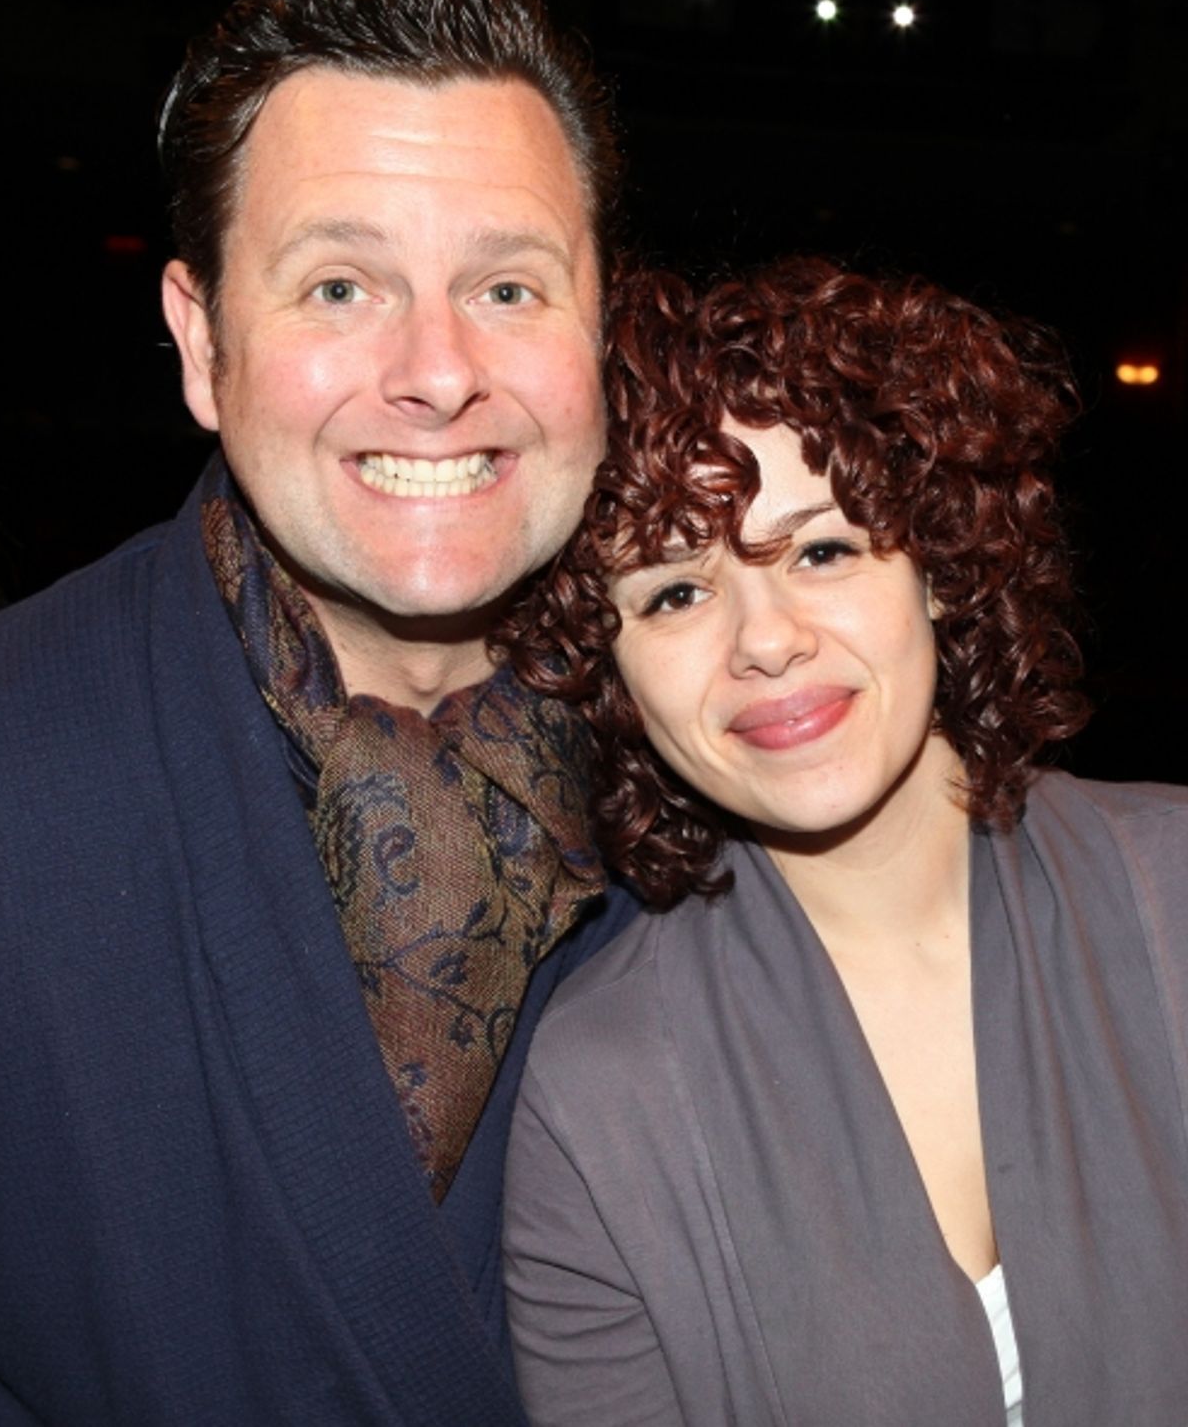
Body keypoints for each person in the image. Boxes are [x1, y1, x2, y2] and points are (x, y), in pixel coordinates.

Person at [0, 0, 638, 1422]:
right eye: (341, 287)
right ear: (202, 338)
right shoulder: (11, 766)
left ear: (602, 330)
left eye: (509, 289)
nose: (439, 375)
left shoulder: (759, 783)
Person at [501, 258, 1188, 1426]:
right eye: (673, 593)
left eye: (822, 552)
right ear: (609, 674)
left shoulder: (1173, 891)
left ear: (939, 567)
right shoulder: (597, 1101)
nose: (765, 640)